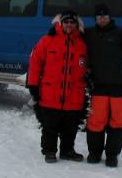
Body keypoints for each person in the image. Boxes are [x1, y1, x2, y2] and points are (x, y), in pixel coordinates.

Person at [26, 10, 87, 163]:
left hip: (74, 94)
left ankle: (67, 151)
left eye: (72, 22)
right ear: (61, 23)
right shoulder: (47, 40)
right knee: (50, 127)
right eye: (66, 22)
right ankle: (49, 151)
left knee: (70, 127)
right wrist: (33, 85)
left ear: (76, 24)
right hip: (50, 94)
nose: (69, 25)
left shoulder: (82, 44)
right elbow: (35, 63)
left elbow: (89, 66)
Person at [84, 4, 122, 167]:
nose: (102, 19)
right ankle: (94, 153)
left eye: (105, 16)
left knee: (118, 123)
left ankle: (112, 155)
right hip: (99, 87)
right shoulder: (89, 34)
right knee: (95, 122)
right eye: (99, 17)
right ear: (95, 19)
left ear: (110, 17)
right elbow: (70, 32)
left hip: (120, 88)